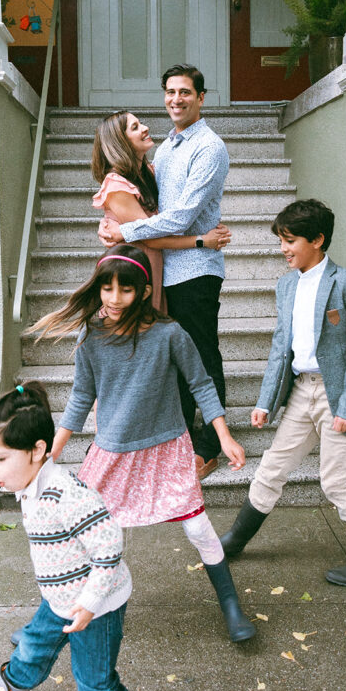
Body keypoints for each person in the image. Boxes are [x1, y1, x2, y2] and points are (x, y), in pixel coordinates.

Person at [31, 244, 255, 643]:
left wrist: (224, 436)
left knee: (199, 528)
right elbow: (82, 396)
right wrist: (56, 447)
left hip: (166, 448)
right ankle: (49, 621)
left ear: (145, 291)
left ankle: (232, 606)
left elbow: (201, 384)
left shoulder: (169, 333)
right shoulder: (92, 336)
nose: (115, 299)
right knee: (81, 536)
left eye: (126, 290)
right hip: (111, 452)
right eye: (107, 288)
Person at [0, 381, 159, 691]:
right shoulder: (28, 484)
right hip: (59, 598)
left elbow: (109, 546)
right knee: (32, 648)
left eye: (0, 458)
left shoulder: (65, 494)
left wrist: (90, 602)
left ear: (37, 450)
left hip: (97, 606)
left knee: (94, 683)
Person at [219, 199, 346, 586]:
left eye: (290, 240)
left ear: (318, 239)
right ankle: (234, 542)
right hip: (301, 391)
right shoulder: (286, 284)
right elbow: (282, 345)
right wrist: (265, 401)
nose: (283, 248)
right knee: (271, 468)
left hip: (338, 395)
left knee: (335, 480)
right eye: (281, 240)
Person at [100, 65, 230, 480]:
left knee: (203, 357)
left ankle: (209, 448)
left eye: (186, 92)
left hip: (194, 271)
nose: (177, 99)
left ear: (201, 97)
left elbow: (182, 217)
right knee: (175, 361)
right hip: (165, 271)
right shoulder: (166, 149)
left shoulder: (208, 147)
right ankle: (182, 439)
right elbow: (152, 207)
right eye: (170, 92)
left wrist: (127, 230)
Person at [92, 109, 230, 310]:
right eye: (135, 127)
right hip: (136, 268)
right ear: (120, 142)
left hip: (158, 264)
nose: (145, 128)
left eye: (140, 123)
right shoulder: (116, 185)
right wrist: (202, 240)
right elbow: (150, 238)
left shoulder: (149, 172)